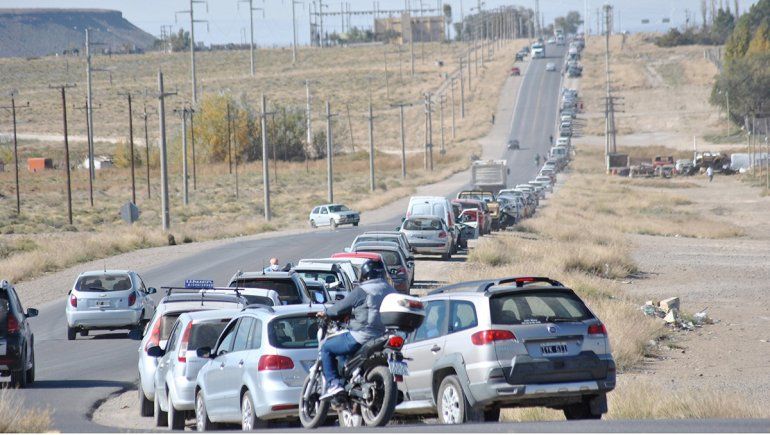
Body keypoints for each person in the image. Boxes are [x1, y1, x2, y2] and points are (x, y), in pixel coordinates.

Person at [317, 261, 395, 399]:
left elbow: (340, 307)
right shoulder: (391, 290)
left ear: (365, 275)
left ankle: (334, 384)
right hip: (385, 336)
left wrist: (326, 313)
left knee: (326, 347)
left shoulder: (362, 290)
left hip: (362, 335)